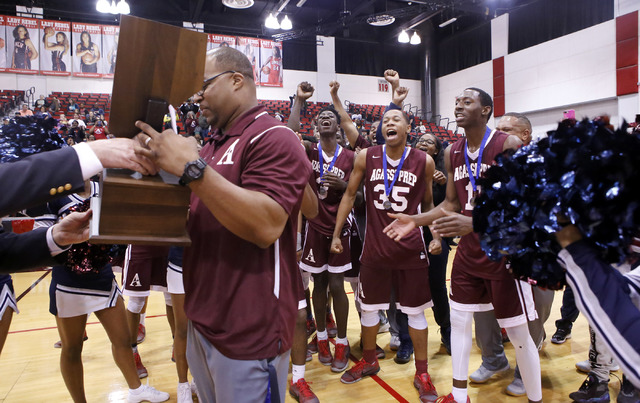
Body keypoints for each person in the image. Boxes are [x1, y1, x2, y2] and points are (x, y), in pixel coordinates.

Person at [135, 46, 311, 402]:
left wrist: (191, 169)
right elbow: (203, 214)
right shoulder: (214, 143)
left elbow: (266, 226)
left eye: (205, 85)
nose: (197, 96)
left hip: (249, 329)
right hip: (205, 318)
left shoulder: (273, 137)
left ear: (236, 80)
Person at [383, 88, 542, 403]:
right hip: (469, 255)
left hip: (504, 253)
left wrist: (476, 224)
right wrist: (416, 220)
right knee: (458, 321)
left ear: (485, 110)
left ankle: (535, 398)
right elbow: (452, 204)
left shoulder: (506, 145)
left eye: (466, 102)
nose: (458, 106)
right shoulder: (452, 152)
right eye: (456, 102)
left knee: (520, 335)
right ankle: (458, 395)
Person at [330, 92, 440, 403]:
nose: (388, 123)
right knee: (369, 309)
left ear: (408, 128)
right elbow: (349, 196)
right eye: (384, 121)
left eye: (395, 120)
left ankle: (422, 373)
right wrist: (338, 233)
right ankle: (369, 359)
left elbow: (429, 203)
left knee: (416, 314)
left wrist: (434, 235)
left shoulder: (425, 161)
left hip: (410, 251)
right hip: (375, 250)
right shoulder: (366, 156)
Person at [40, 183, 169, 403]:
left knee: (122, 339)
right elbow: (40, 236)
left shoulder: (105, 188)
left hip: (102, 275)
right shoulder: (57, 193)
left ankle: (136, 391)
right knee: (72, 348)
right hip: (68, 280)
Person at [469, 112, 553, 397]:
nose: (499, 136)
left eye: (506, 131)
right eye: (498, 130)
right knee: (483, 311)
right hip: (493, 254)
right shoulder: (490, 165)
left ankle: (523, 371)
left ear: (524, 136)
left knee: (533, 315)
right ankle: (493, 360)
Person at [0, 137, 157, 273]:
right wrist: (87, 154)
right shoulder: (58, 196)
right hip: (68, 270)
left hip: (101, 266)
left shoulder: (101, 187)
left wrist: (55, 237)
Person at [555, 224, 640, 393]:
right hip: (612, 246)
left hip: (629, 248)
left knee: (627, 310)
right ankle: (600, 376)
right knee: (601, 308)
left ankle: (630, 377)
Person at [414, 132, 452, 355]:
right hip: (410, 233)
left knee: (437, 284)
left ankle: (446, 329)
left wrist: (445, 183)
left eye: (429, 142)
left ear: (436, 151)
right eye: (420, 141)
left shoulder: (443, 173)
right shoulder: (405, 167)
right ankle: (406, 336)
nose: (423, 143)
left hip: (435, 234)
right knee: (408, 285)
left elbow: (452, 203)